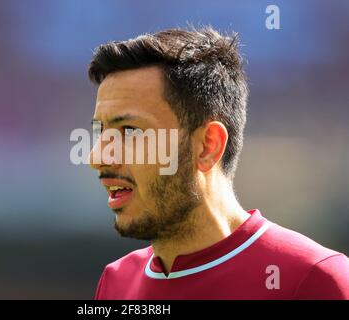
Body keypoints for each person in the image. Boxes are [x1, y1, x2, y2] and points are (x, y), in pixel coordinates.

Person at [87, 27, 349, 299]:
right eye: (100, 132)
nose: (97, 157)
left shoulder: (314, 280)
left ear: (208, 145)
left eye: (130, 131)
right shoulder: (116, 282)